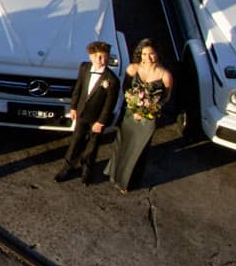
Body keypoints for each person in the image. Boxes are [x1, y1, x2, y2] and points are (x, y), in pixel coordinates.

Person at [109, 40, 171, 193]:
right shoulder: (132, 68)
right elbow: (126, 89)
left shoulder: (165, 75)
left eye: (151, 54)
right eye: (144, 54)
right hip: (130, 114)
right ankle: (115, 174)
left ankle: (127, 182)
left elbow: (166, 97)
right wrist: (133, 105)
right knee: (124, 144)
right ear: (140, 54)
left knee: (139, 149)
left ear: (157, 54)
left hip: (149, 118)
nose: (148, 57)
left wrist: (151, 108)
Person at [56, 42, 119, 184]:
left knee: (92, 144)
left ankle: (87, 171)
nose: (100, 60)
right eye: (97, 56)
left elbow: (110, 104)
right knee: (76, 141)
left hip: (97, 118)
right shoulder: (84, 68)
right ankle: (67, 168)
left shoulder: (111, 79)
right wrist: (73, 107)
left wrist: (101, 121)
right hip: (82, 114)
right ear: (90, 57)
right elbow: (78, 88)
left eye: (104, 57)